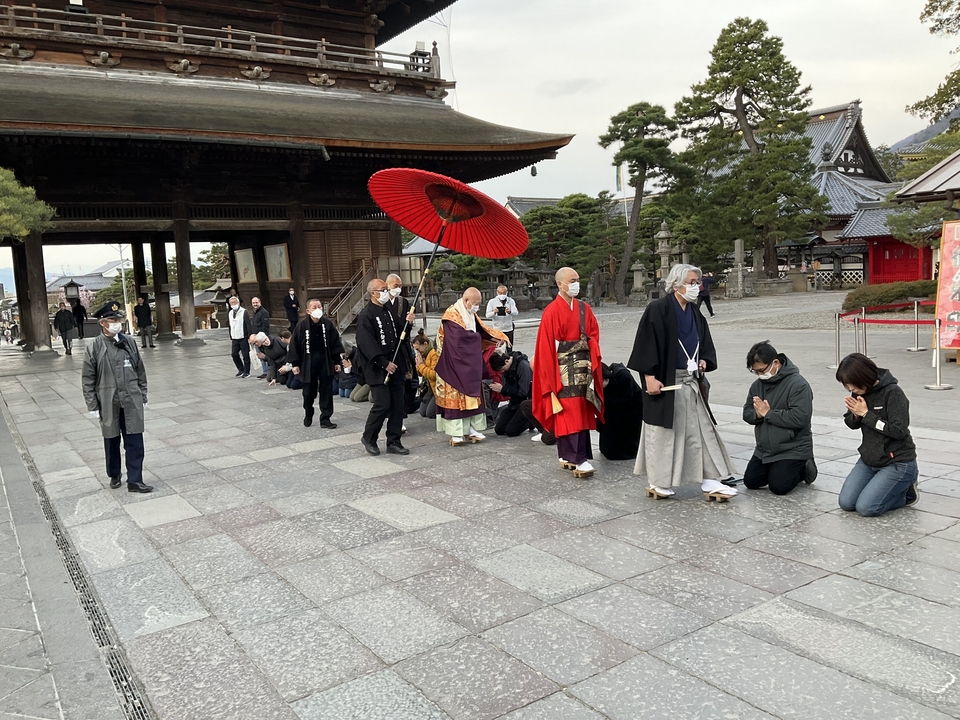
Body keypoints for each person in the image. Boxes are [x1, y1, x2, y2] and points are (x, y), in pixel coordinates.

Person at [628, 263, 737, 501]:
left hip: (690, 381)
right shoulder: (657, 309)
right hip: (666, 381)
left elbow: (703, 342)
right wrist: (649, 377)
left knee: (702, 430)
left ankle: (710, 480)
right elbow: (646, 344)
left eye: (697, 283)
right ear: (676, 285)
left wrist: (704, 361)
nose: (696, 287)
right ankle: (658, 482)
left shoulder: (695, 312)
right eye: (691, 283)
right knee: (664, 433)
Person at [532, 267, 604, 478]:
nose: (576, 284)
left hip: (582, 366)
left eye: (577, 280)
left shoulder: (584, 308)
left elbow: (593, 333)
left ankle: (567, 454)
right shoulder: (551, 311)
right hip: (561, 369)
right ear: (560, 284)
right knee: (567, 411)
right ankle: (577, 458)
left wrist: (589, 344)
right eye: (572, 280)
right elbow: (545, 347)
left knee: (581, 408)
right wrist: (550, 374)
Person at [835, 353, 919, 516]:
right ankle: (884, 486)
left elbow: (898, 431)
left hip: (897, 461)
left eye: (854, 386)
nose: (852, 390)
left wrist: (866, 415)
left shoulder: (893, 393)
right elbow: (851, 424)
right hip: (869, 459)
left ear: (865, 378)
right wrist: (855, 415)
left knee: (867, 508)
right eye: (848, 387)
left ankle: (906, 492)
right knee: (846, 503)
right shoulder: (858, 392)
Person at [81, 301, 152, 493]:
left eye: (118, 319)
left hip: (131, 398)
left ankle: (135, 480)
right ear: (102, 323)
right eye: (112, 320)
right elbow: (88, 378)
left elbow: (140, 370)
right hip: (108, 400)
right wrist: (93, 405)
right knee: (111, 440)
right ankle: (114, 474)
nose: (117, 323)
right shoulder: (94, 346)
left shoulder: (129, 342)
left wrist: (143, 395)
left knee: (135, 441)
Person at [435, 288, 509, 446]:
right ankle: (456, 432)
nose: (476, 307)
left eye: (479, 304)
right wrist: (477, 338)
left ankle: (470, 429)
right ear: (466, 300)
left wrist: (494, 338)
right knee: (456, 398)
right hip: (452, 363)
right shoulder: (451, 315)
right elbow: (458, 340)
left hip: (467, 361)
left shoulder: (468, 312)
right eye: (475, 304)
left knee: (472, 395)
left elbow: (479, 331)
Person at [742, 341, 816, 495]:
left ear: (775, 363)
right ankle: (775, 468)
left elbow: (800, 418)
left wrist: (769, 414)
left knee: (779, 487)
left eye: (762, 370)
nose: (760, 375)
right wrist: (757, 414)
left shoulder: (798, 384)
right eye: (755, 372)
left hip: (792, 447)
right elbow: (747, 412)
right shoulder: (757, 385)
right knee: (751, 481)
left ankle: (804, 467)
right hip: (764, 449)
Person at [356, 278, 408, 455]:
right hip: (378, 367)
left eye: (386, 289)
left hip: (396, 363)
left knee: (398, 405)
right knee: (382, 404)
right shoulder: (366, 316)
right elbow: (366, 343)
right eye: (383, 289)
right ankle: (369, 437)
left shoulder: (389, 310)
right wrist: (384, 363)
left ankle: (394, 441)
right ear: (373, 293)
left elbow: (400, 333)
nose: (386, 292)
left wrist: (408, 322)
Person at [286, 299, 343, 429]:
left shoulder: (328, 325)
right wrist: (295, 364)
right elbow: (295, 346)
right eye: (314, 307)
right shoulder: (301, 326)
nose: (317, 309)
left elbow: (335, 343)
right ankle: (308, 411)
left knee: (326, 390)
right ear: (308, 311)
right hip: (308, 361)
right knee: (308, 392)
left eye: (319, 307)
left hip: (325, 360)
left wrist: (337, 361)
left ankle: (326, 418)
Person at [597, 362, 644, 461]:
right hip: (616, 407)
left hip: (632, 409)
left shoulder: (622, 376)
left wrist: (604, 401)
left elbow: (627, 400)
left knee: (610, 417)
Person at [489, 349, 533, 437]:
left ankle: (531, 420)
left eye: (502, 369)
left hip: (526, 402)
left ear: (507, 361)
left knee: (511, 431)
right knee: (499, 429)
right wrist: (501, 390)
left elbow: (523, 392)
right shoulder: (507, 369)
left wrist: (503, 389)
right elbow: (507, 389)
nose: (502, 371)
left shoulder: (523, 366)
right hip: (514, 403)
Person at [413, 330, 438, 419]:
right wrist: (418, 366)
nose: (417, 352)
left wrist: (422, 366)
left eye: (417, 349)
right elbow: (421, 375)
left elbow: (434, 375)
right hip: (429, 387)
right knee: (423, 412)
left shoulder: (433, 354)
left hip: (437, 388)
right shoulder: (423, 354)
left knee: (430, 413)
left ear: (425, 344)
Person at [227, 295, 252, 378]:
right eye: (231, 303)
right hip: (234, 337)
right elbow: (230, 325)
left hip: (243, 336)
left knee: (245, 355)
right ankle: (240, 369)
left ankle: (247, 371)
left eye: (234, 302)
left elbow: (248, 324)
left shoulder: (244, 311)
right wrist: (231, 336)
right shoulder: (230, 313)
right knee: (234, 354)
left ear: (238, 302)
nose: (233, 304)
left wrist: (249, 336)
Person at [250, 296, 272, 378]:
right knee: (259, 354)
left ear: (260, 302)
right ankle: (265, 371)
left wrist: (260, 338)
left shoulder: (264, 312)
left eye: (256, 302)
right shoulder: (255, 311)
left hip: (262, 337)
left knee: (264, 354)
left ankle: (267, 371)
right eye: (253, 303)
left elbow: (265, 326)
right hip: (255, 337)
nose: (255, 304)